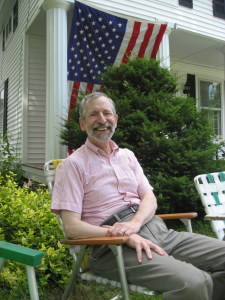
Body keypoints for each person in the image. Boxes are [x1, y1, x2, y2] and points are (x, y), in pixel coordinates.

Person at [51, 92, 225, 300]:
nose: (102, 120)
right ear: (82, 123)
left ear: (115, 120)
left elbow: (149, 198)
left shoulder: (127, 156)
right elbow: (72, 228)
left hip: (158, 231)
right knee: (195, 282)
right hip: (113, 248)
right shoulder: (73, 166)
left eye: (107, 113)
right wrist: (123, 235)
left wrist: (135, 223)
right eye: (93, 115)